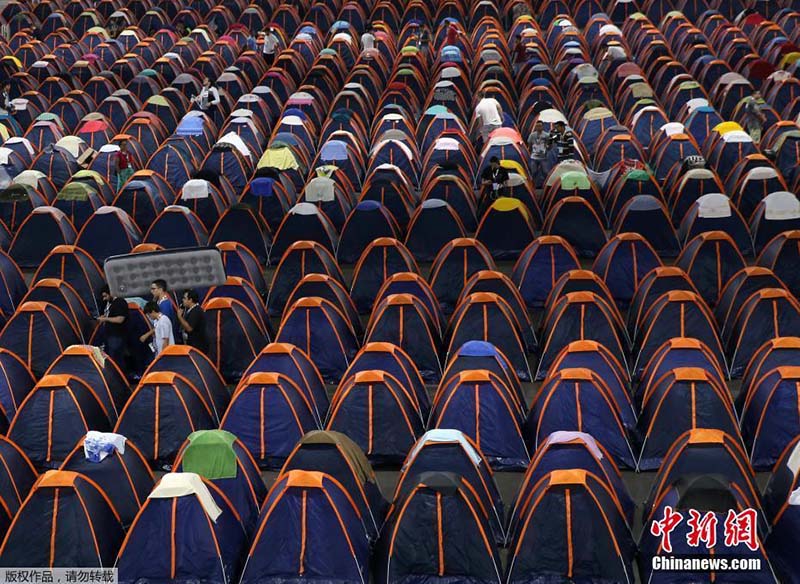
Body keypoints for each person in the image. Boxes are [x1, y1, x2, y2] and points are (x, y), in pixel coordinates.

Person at [97, 285, 129, 370]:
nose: (104, 299)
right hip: (109, 335)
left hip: (116, 335)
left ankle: (120, 376)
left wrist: (105, 319)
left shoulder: (120, 302)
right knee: (110, 357)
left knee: (116, 358)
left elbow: (120, 319)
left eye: (105, 296)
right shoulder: (108, 304)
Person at [177, 289, 208, 353]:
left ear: (190, 300)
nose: (183, 300)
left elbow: (189, 328)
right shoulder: (190, 310)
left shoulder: (196, 311)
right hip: (192, 343)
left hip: (197, 346)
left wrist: (180, 317)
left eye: (184, 298)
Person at [528, 120, 549, 187]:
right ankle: (532, 186)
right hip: (534, 157)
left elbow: (549, 144)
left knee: (545, 172)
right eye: (537, 126)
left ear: (543, 127)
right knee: (533, 172)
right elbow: (529, 144)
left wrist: (546, 151)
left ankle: (546, 186)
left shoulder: (546, 135)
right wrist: (531, 152)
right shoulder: (532, 135)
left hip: (543, 157)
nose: (538, 127)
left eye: (540, 126)